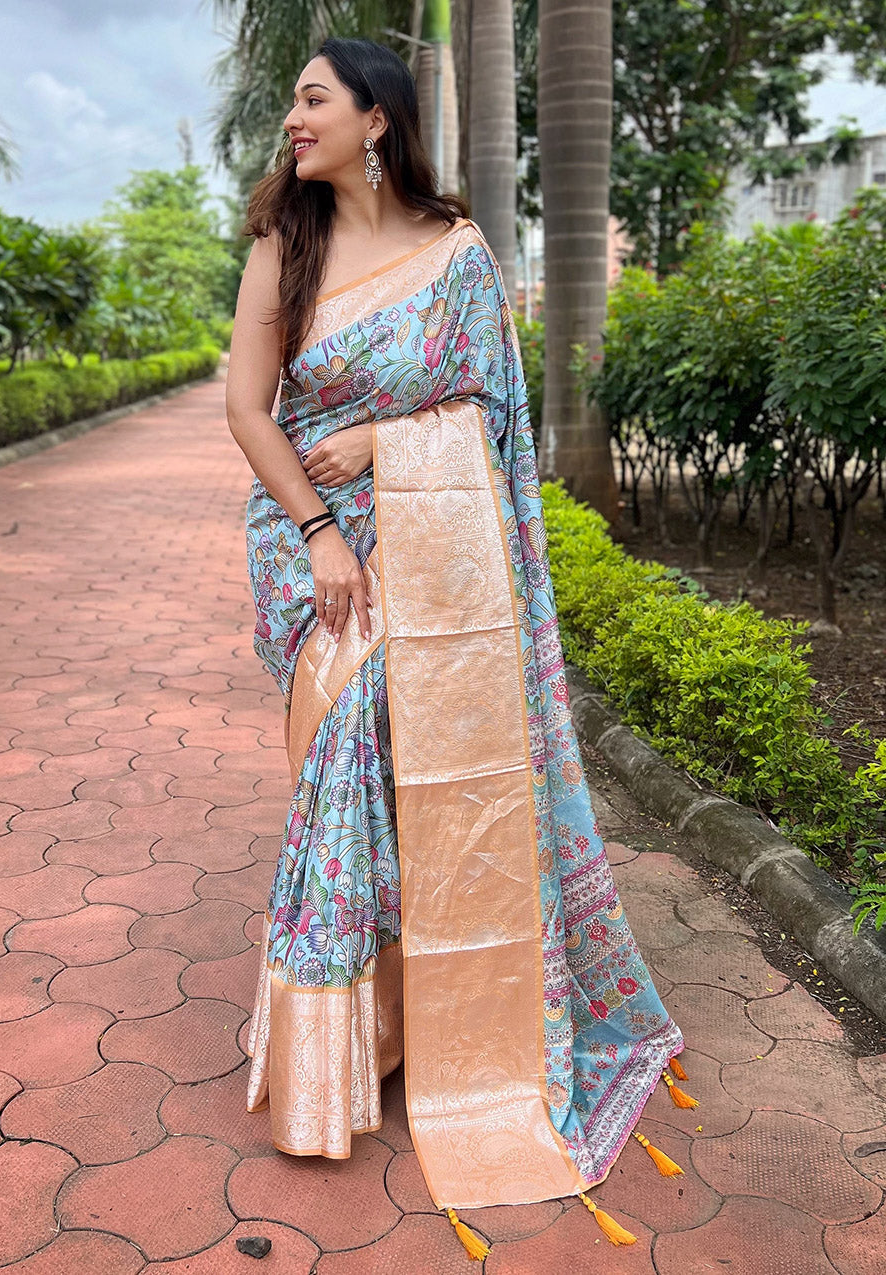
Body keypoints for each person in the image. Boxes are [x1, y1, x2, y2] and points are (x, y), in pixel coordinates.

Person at [225, 35, 691, 1258]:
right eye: (291, 102)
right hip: (314, 553)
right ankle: (350, 1049)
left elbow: (488, 417)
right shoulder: (287, 243)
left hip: (439, 553)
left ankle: (397, 1041)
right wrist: (325, 530)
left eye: (311, 99)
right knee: (351, 775)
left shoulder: (456, 250)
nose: (291, 118)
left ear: (377, 118)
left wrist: (387, 445)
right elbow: (245, 407)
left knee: (393, 786)